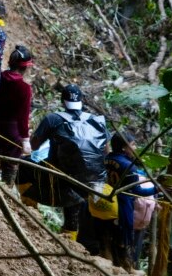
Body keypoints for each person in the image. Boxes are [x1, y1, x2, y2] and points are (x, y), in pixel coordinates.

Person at [22, 83, 110, 241]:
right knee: (72, 214)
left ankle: (28, 213)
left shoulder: (53, 119)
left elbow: (33, 147)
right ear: (82, 101)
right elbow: (106, 151)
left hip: (56, 175)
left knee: (23, 166)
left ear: (63, 102)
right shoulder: (96, 121)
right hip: (91, 180)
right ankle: (69, 239)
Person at [106, 132, 158, 268]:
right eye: (133, 144)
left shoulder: (108, 158)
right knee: (125, 237)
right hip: (124, 204)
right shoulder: (129, 167)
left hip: (108, 200)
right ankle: (125, 266)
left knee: (110, 236)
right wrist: (156, 189)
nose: (136, 147)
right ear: (124, 147)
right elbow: (138, 192)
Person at [0, 45, 34, 183]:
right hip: (12, 132)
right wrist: (25, 140)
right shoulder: (24, 88)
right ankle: (6, 189)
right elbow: (23, 118)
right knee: (10, 166)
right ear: (26, 67)